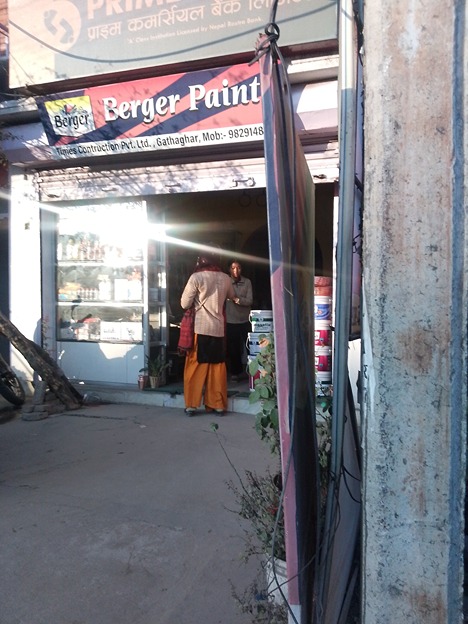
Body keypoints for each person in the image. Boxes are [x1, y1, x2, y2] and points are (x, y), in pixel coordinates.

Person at [180, 248, 236, 416]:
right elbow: (232, 296)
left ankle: (191, 405)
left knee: (195, 366)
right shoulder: (225, 278)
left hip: (200, 328)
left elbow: (184, 303)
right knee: (217, 367)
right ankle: (217, 405)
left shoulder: (196, 277)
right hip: (218, 328)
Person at [225, 260, 253, 381]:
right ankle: (235, 373)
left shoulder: (247, 282)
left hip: (245, 319)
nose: (236, 270)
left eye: (238, 268)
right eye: (233, 268)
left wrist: (237, 300)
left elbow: (250, 300)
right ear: (229, 269)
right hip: (231, 320)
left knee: (250, 347)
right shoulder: (226, 281)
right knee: (233, 348)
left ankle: (253, 371)